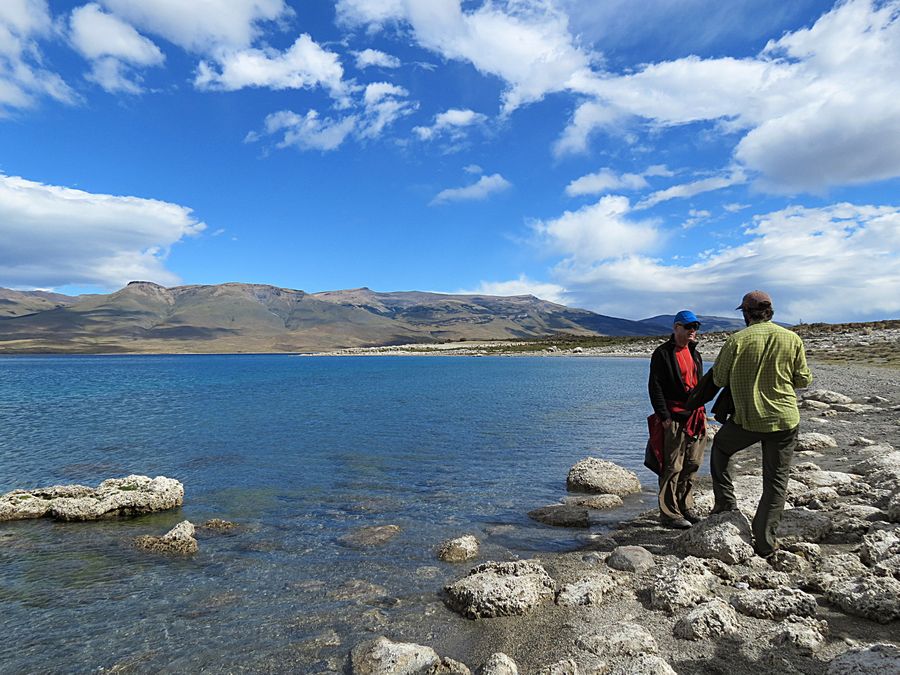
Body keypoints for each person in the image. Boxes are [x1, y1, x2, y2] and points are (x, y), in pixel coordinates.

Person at [709, 290, 812, 557]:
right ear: (771, 312)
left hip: (748, 420)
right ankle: (765, 543)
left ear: (746, 314)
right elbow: (802, 380)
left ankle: (725, 504)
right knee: (776, 482)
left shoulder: (736, 340)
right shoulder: (792, 338)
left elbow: (718, 379)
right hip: (784, 420)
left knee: (720, 447)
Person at [648, 310, 707, 529]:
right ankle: (669, 514)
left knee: (692, 464)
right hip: (673, 416)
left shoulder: (695, 353)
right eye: (689, 327)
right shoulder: (662, 353)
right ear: (676, 328)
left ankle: (685, 507)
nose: (693, 331)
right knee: (672, 466)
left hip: (696, 416)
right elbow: (655, 387)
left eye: (696, 327)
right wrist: (664, 417)